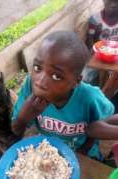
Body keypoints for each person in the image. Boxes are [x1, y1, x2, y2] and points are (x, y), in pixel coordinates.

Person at [11, 30, 116, 162]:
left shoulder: (90, 98)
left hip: (83, 154)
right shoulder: (29, 86)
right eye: (38, 68)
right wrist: (22, 118)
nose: (40, 82)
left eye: (56, 76)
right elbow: (15, 131)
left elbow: (99, 125)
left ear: (76, 81)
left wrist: (84, 149)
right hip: (47, 151)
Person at [83, 0, 118, 112]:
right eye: (110, 1)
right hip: (99, 52)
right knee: (84, 77)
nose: (113, 5)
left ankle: (106, 101)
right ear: (103, 1)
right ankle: (92, 98)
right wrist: (94, 48)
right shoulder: (95, 19)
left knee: (112, 80)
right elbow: (90, 39)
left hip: (116, 54)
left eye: (116, 2)